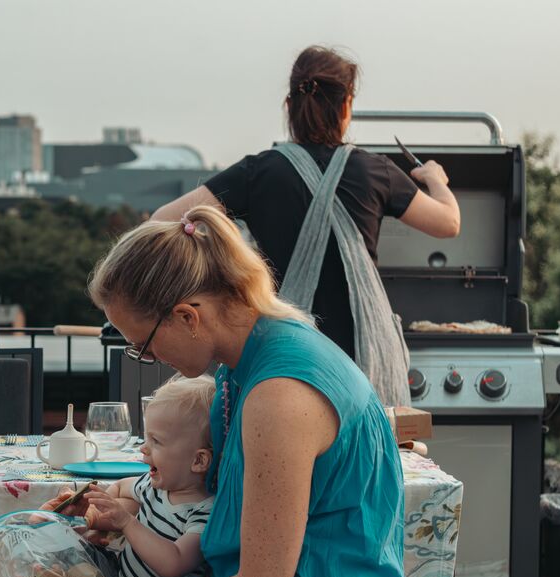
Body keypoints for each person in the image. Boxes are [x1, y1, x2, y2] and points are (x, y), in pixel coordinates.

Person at [24, 206, 423, 577]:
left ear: (188, 315)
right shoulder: (251, 363)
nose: (146, 358)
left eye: (143, 345)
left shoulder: (279, 393)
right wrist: (135, 516)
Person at [153, 45, 460, 406]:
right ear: (346, 106)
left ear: (289, 107)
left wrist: (223, 269)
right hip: (362, 358)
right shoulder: (374, 170)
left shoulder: (259, 171)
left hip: (284, 353)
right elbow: (448, 223)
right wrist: (435, 178)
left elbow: (163, 220)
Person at [6, 375, 216, 577]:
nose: (143, 450)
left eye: (156, 441)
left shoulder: (204, 510)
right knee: (65, 554)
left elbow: (174, 563)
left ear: (199, 461)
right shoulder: (154, 485)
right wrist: (89, 517)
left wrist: (126, 522)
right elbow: (119, 489)